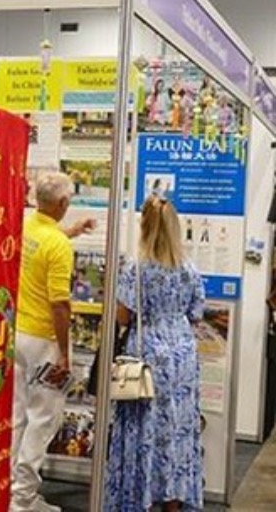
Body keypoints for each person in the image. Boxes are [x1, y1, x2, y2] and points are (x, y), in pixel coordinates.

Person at [105, 195, 204, 511]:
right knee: (177, 429)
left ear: (144, 226)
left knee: (144, 428)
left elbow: (123, 316)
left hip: (147, 353)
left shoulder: (136, 268)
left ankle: (141, 500)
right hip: (182, 354)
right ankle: (174, 502)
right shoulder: (188, 267)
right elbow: (197, 312)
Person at [11, 172, 91, 512]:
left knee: (15, 416)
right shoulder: (56, 245)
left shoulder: (27, 228)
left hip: (17, 336)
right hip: (44, 340)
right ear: (62, 203)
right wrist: (64, 353)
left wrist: (72, 231)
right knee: (43, 420)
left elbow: (50, 239)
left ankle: (7, 492)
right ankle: (23, 499)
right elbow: (60, 304)